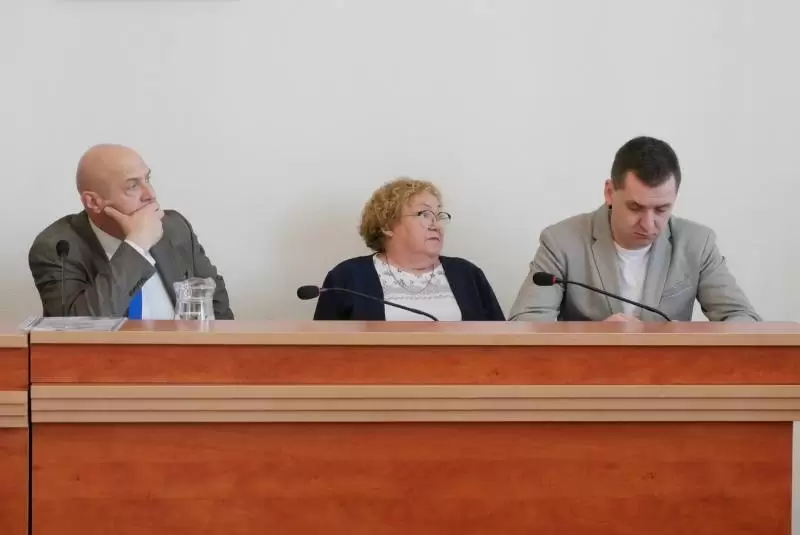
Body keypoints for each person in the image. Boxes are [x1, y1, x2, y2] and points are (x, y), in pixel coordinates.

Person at [509, 135, 760, 322]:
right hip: (588, 373)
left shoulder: (698, 243)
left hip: (670, 373)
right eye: (635, 207)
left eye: (661, 209)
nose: (649, 224)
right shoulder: (561, 242)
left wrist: (683, 340)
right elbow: (526, 324)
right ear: (610, 192)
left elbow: (742, 318)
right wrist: (595, 337)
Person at [28, 144, 234, 319]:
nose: (150, 194)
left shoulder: (174, 228)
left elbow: (219, 309)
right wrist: (136, 246)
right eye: (133, 186)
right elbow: (76, 331)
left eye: (148, 179)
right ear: (93, 202)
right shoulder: (58, 247)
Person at [313, 177, 504, 321]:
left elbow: (502, 343)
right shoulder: (347, 278)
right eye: (424, 214)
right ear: (387, 225)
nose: (436, 225)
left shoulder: (467, 274)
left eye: (439, 215)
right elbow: (322, 351)